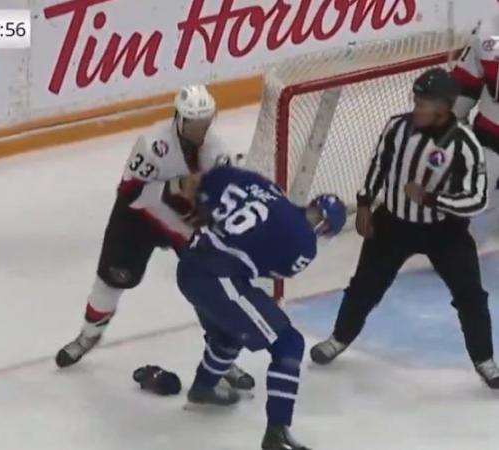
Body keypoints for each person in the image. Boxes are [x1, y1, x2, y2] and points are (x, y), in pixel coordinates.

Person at [56, 85, 255, 389]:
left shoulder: (217, 152)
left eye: (205, 122)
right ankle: (88, 335)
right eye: (193, 123)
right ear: (179, 119)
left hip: (183, 222)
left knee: (208, 287)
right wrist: (178, 185)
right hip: (138, 218)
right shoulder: (152, 145)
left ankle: (221, 357)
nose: (200, 130)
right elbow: (130, 193)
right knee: (111, 280)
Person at [310, 68, 499, 389]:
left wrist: (431, 199)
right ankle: (339, 338)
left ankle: (485, 360)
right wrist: (366, 204)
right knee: (365, 286)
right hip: (392, 225)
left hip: (445, 232)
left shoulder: (465, 144)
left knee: (471, 296)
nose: (416, 106)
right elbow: (378, 165)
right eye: (416, 99)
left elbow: (477, 199)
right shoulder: (397, 127)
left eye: (424, 102)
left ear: (446, 107)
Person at [176, 165, 346, 450]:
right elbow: (275, 269)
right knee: (288, 343)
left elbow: (207, 183)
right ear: (325, 229)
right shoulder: (305, 246)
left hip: (191, 265)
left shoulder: (266, 188)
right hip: (218, 276)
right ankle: (277, 433)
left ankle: (203, 387)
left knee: (230, 333)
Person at [453, 16, 499, 245]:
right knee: (469, 231)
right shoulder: (488, 35)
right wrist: (449, 126)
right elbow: (466, 83)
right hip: (489, 144)